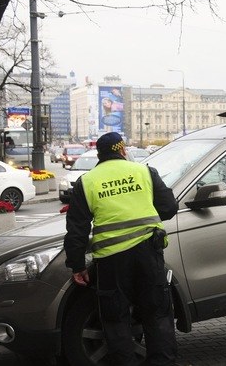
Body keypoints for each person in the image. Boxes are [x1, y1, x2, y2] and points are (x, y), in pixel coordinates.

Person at [64, 132, 179, 366]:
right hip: (149, 254)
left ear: (99, 154)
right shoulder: (144, 172)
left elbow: (77, 230)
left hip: (111, 262)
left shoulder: (87, 182)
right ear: (123, 150)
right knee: (157, 314)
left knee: (115, 319)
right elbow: (169, 207)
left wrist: (77, 265)